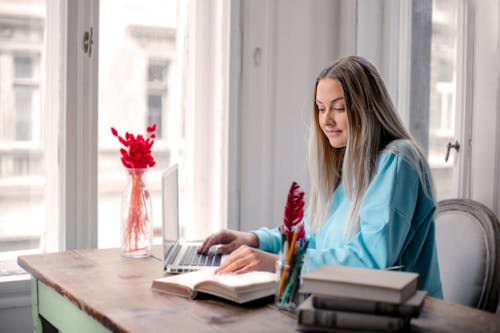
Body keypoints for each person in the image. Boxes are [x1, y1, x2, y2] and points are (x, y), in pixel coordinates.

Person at [198, 56, 443, 298]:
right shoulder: (352, 166)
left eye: (339, 108)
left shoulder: (397, 161)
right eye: (320, 108)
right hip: (346, 305)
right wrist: (253, 239)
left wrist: (281, 262)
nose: (326, 120)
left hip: (400, 315)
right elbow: (313, 235)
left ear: (367, 108)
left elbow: (370, 260)